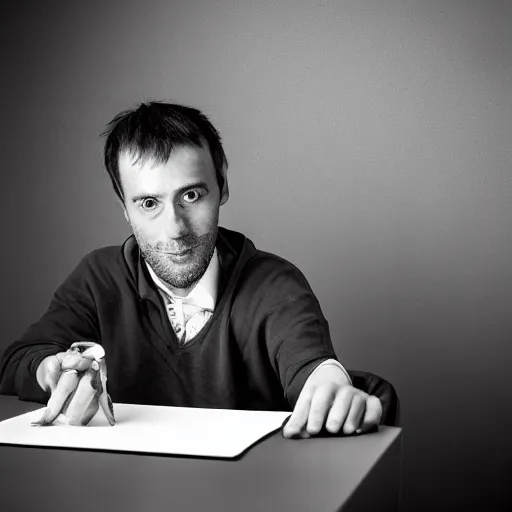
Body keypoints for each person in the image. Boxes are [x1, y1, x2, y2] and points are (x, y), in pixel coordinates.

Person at [0, 101, 382, 438]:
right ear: (124, 208)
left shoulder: (274, 284)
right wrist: (51, 369)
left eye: (191, 195)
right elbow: (16, 360)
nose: (175, 230)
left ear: (223, 186)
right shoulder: (97, 277)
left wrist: (329, 382)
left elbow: (310, 368)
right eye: (149, 203)